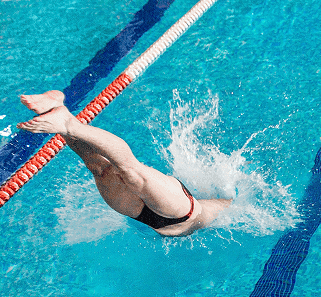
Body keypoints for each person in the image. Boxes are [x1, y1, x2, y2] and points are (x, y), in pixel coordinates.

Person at [16, 90, 230, 236]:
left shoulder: (221, 205)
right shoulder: (230, 208)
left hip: (146, 218)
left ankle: (57, 109)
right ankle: (69, 125)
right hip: (182, 213)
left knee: (99, 169)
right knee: (131, 171)